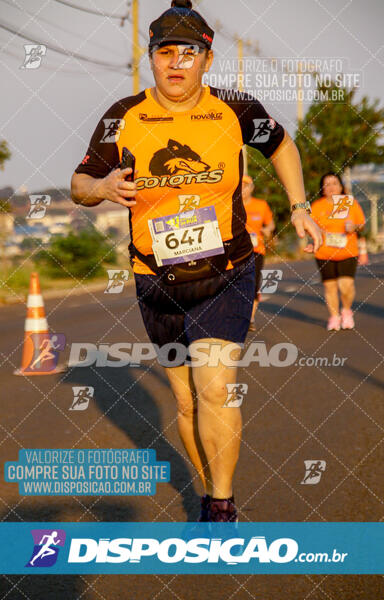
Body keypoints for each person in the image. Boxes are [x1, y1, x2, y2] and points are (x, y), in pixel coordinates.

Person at [71, 0, 322, 522]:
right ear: (152, 58)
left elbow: (282, 146)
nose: (177, 61)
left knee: (217, 386)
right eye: (166, 51)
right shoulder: (124, 115)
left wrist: (299, 206)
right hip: (154, 277)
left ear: (207, 59)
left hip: (226, 270)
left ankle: (222, 504)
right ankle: (208, 489)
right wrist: (102, 184)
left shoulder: (236, 108)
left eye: (190, 51)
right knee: (186, 403)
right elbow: (79, 184)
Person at [311, 172, 365, 331]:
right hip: (324, 252)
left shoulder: (349, 203)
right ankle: (334, 317)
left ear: (341, 186)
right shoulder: (317, 206)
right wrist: (315, 233)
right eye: (327, 184)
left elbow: (361, 224)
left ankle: (346, 310)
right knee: (330, 287)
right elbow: (310, 228)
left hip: (347, 251)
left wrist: (353, 227)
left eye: (334, 183)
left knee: (345, 285)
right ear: (322, 188)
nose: (331, 187)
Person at [242, 175, 275, 331]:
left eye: (246, 185)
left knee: (253, 284)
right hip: (235, 251)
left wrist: (267, 230)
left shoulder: (261, 205)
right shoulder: (231, 205)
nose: (243, 188)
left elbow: (270, 224)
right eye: (240, 185)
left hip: (256, 250)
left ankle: (250, 319)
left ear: (252, 188)